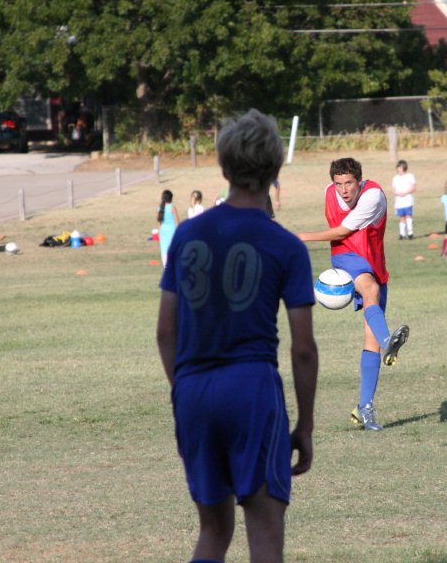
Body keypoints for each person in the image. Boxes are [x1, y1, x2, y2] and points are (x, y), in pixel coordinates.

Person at [156, 109, 318, 563]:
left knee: (214, 530)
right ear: (275, 169)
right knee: (263, 531)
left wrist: (183, 388)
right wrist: (304, 424)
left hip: (194, 390)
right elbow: (302, 348)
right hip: (251, 390)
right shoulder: (285, 245)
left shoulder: (187, 235)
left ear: (223, 167)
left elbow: (165, 331)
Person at [298, 157, 409, 431]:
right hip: (346, 257)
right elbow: (341, 238)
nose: (344, 190)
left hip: (374, 263)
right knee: (369, 290)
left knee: (370, 340)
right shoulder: (330, 192)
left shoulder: (373, 196)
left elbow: (342, 229)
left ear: (359, 181)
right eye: (338, 184)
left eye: (349, 183)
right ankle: (389, 341)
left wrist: (299, 236)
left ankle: (364, 408)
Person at [391, 160, 416, 240]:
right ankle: (402, 234)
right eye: (398, 168)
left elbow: (413, 187)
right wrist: (399, 193)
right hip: (399, 201)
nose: (399, 169)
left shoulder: (410, 176)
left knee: (408, 216)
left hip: (408, 200)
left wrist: (405, 192)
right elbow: (394, 190)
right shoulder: (395, 178)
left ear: (404, 168)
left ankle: (410, 233)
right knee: (402, 217)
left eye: (400, 167)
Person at [157, 189, 180, 267]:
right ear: (171, 198)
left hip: (163, 232)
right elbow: (177, 222)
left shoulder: (160, 208)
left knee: (164, 251)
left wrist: (160, 233)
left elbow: (159, 223)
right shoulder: (172, 207)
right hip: (172, 231)